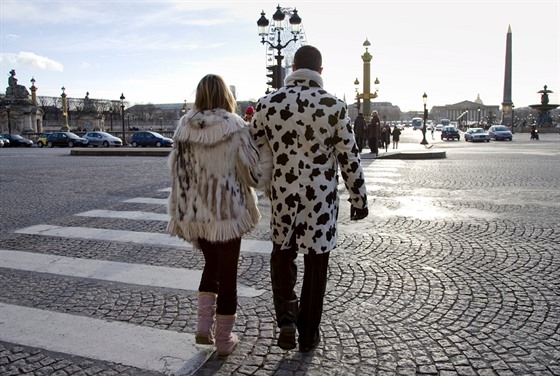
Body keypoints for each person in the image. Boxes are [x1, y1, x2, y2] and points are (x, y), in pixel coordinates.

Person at [251, 45, 368, 353]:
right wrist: (359, 199)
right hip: (321, 199)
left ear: (291, 69)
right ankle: (308, 333)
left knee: (282, 254)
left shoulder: (267, 104)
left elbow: (252, 150)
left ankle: (287, 318)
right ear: (321, 71)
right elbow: (349, 158)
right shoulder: (334, 106)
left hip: (283, 195)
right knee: (317, 263)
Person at [167, 74, 270, 357]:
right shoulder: (234, 125)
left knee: (211, 267)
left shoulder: (184, 127)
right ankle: (224, 338)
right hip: (226, 213)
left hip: (196, 212)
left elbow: (176, 172)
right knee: (228, 273)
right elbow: (254, 175)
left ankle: (203, 327)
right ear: (226, 95)